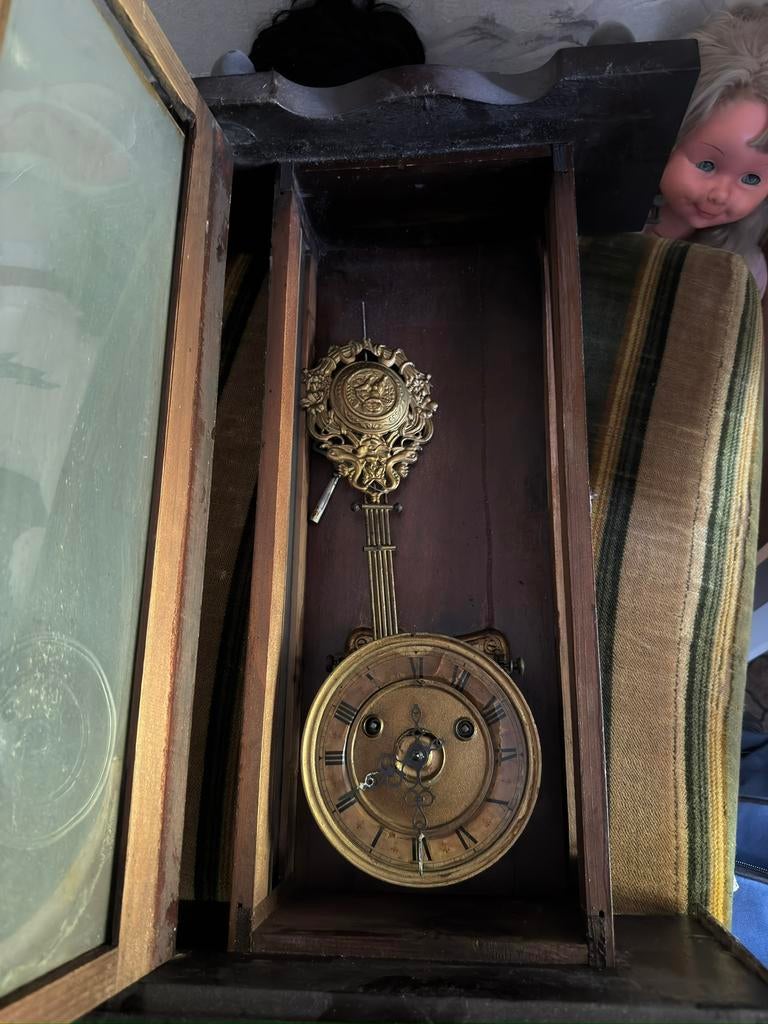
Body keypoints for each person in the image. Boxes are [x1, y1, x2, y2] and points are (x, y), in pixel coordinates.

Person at [646, 4, 768, 296]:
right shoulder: (599, 217)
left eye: (751, 179)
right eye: (706, 165)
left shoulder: (742, 271)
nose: (720, 194)